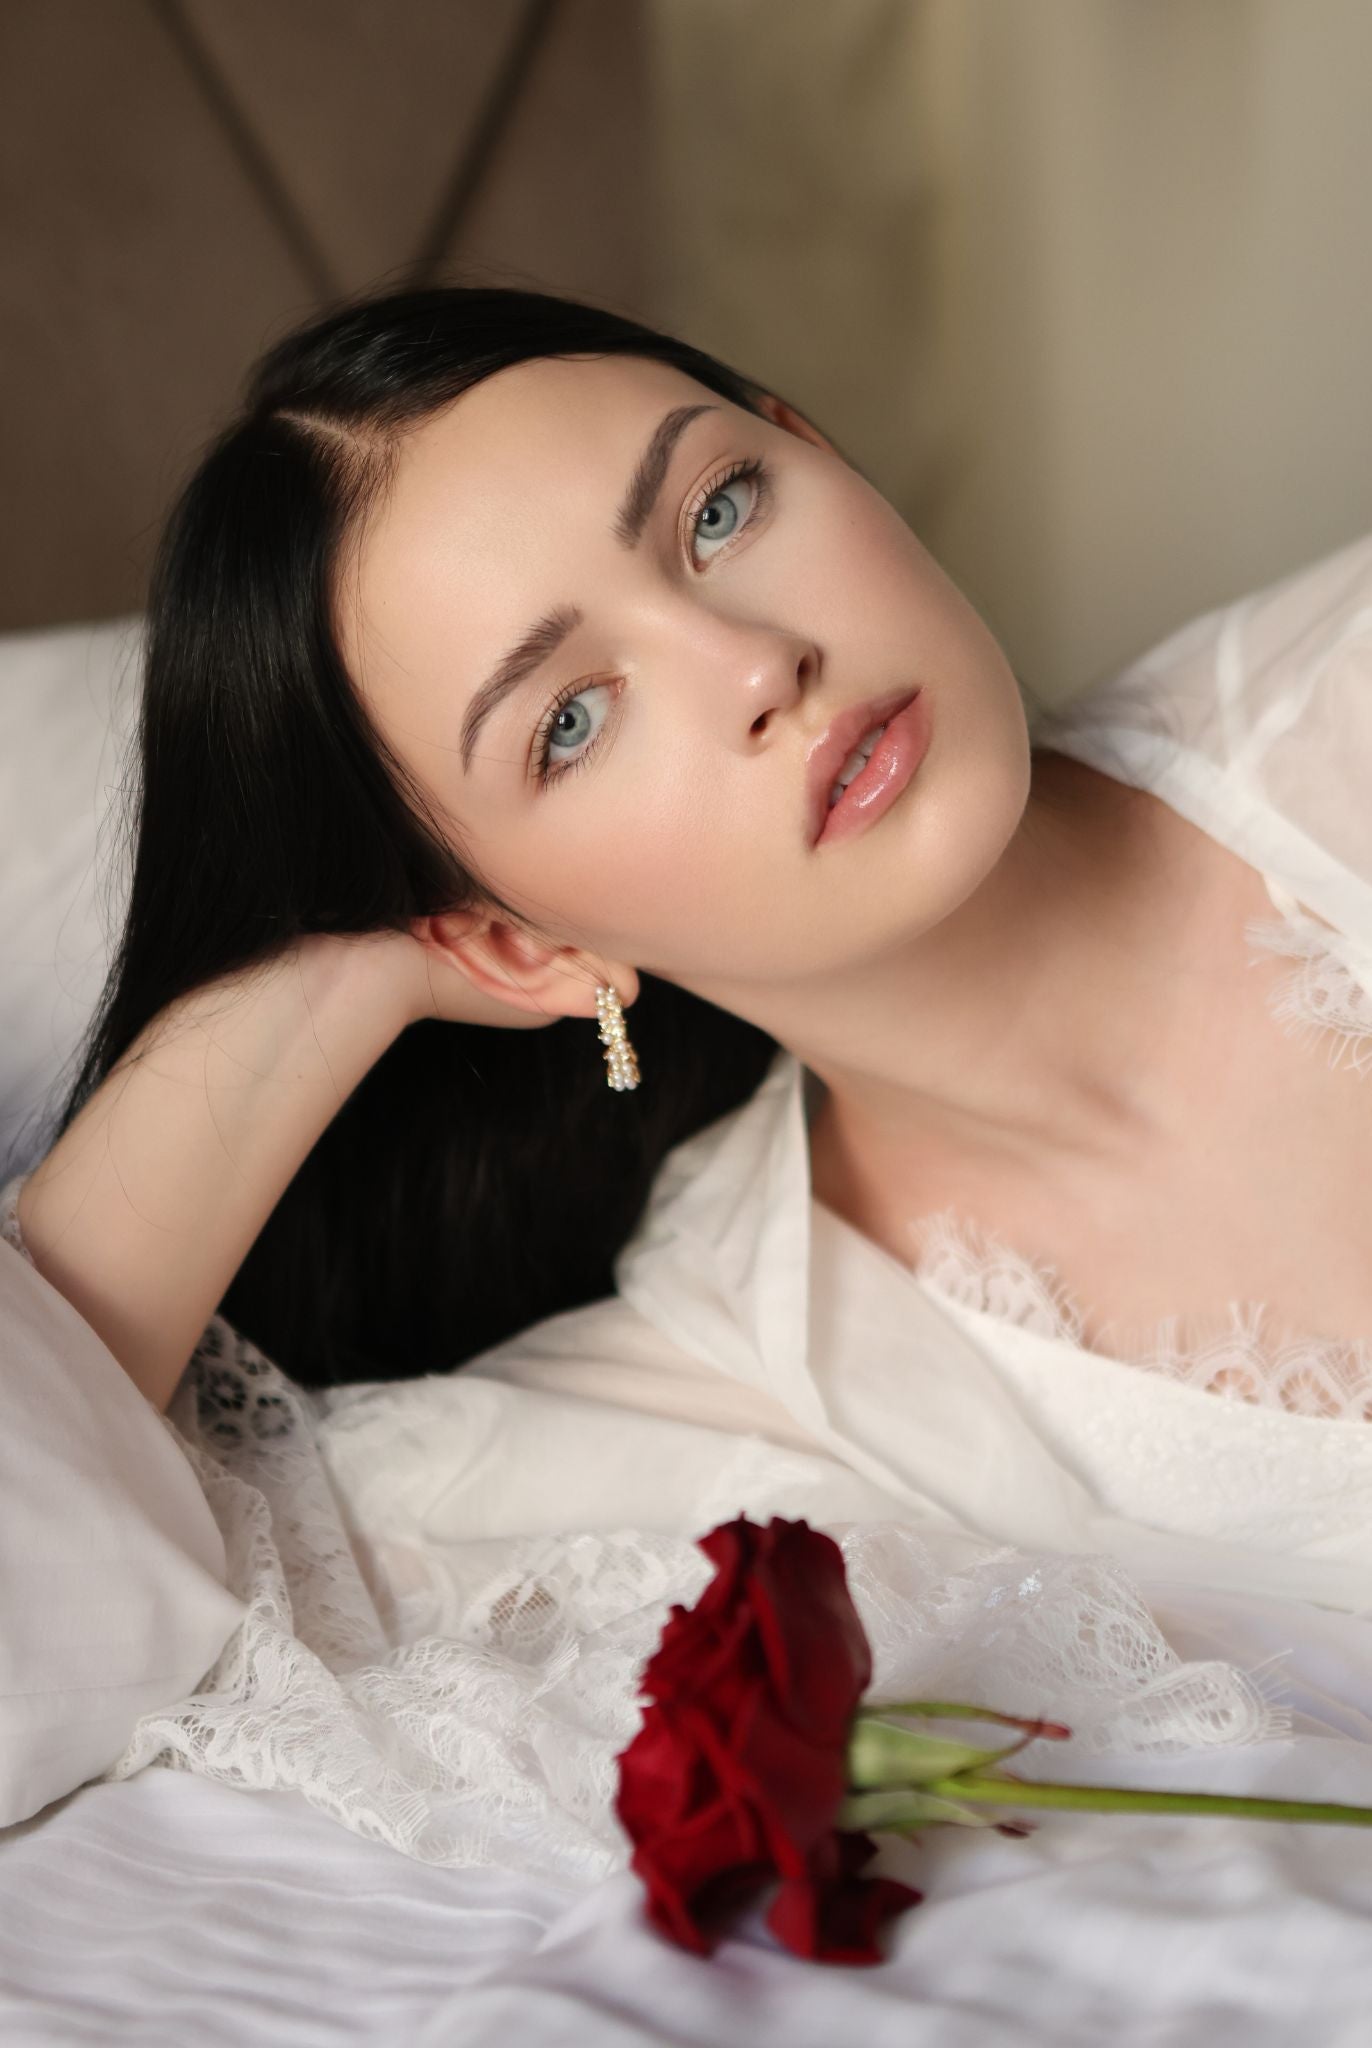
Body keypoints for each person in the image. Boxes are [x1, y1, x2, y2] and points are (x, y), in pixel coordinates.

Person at [5, 281, 1372, 1833]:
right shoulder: (712, 1400)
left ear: (821, 449)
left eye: (719, 508)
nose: (752, 663)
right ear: (511, 945)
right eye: (570, 722)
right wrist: (306, 990)